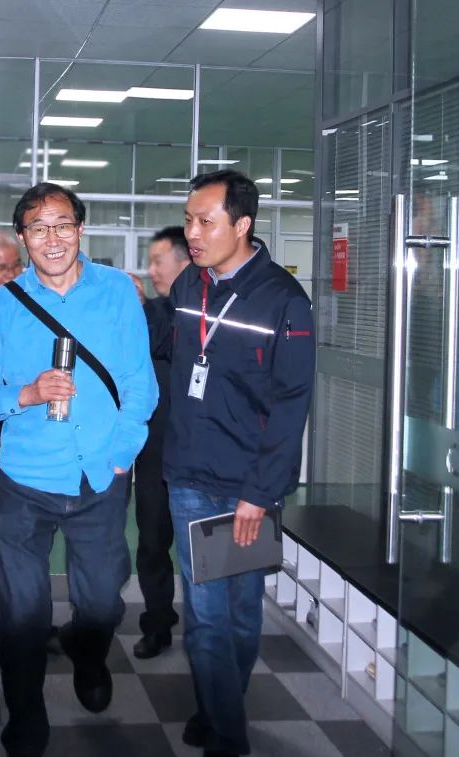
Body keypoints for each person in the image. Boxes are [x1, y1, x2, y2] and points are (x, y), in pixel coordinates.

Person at [0, 182, 157, 757]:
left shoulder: (117, 292)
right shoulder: (1, 305)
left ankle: (89, 654)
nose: (52, 238)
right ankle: (26, 718)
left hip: (99, 477)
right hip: (25, 482)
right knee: (23, 613)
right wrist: (25, 393)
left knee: (102, 603)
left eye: (63, 224)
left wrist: (121, 455)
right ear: (22, 238)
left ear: (80, 230)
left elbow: (140, 383)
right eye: (38, 227)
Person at [161, 170, 314, 757]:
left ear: (243, 224)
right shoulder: (188, 286)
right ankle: (228, 736)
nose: (193, 233)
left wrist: (261, 492)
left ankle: (215, 708)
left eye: (206, 222)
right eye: (189, 220)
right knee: (205, 616)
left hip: (249, 484)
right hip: (189, 476)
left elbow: (291, 405)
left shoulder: (283, 299)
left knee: (243, 612)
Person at [131, 226, 190, 660]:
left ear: (184, 263)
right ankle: (158, 621)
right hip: (154, 451)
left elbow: (168, 340)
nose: (151, 271)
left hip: (198, 453)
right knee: (152, 541)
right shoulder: (149, 310)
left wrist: (143, 309)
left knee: (200, 543)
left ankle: (210, 626)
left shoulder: (204, 313)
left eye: (158, 261)